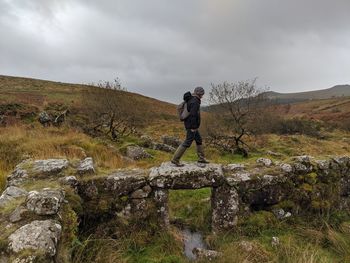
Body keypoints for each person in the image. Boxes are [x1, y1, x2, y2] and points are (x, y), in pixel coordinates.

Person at [171, 87, 209, 167]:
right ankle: (175, 159)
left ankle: (201, 158)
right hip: (191, 126)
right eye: (202, 94)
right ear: (200, 94)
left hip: (191, 125)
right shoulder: (195, 101)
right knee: (187, 142)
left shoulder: (191, 99)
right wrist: (193, 127)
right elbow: (193, 115)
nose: (202, 96)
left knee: (199, 140)